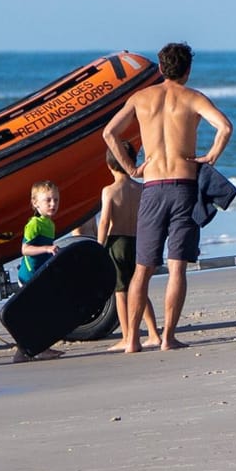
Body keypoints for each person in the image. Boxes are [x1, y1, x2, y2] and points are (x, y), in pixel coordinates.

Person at [103, 42, 231, 352]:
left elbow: (109, 133)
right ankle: (168, 337)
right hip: (183, 186)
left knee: (142, 268)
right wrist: (210, 156)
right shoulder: (193, 98)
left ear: (160, 69)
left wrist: (132, 167)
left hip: (152, 187)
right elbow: (225, 127)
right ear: (187, 70)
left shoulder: (141, 98)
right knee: (176, 267)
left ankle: (132, 339)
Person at [97, 150, 158, 351]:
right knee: (139, 289)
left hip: (118, 243)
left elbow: (105, 220)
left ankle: (127, 336)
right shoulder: (140, 189)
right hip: (139, 241)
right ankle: (153, 333)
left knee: (121, 291)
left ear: (109, 166)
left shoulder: (110, 191)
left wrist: (99, 245)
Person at [18, 181, 59, 284]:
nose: (53, 204)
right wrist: (47, 249)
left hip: (40, 275)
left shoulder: (50, 224)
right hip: (28, 277)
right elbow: (25, 249)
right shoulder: (34, 224)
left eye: (56, 200)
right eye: (48, 200)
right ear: (35, 203)